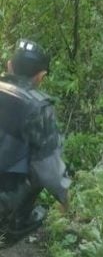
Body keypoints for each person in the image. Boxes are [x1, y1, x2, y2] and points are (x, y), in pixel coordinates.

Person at [0, 39, 70, 244]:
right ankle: (12, 226)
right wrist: (64, 198)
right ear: (41, 76)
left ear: (9, 65)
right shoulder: (37, 108)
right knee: (37, 168)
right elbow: (50, 170)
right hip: (5, 193)